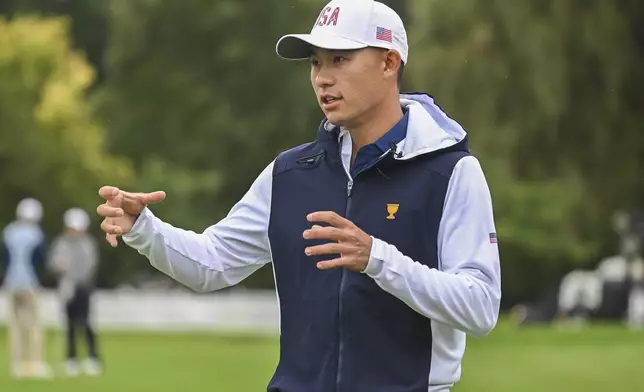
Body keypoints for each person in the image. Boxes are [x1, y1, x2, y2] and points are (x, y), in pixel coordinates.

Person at [96, 0, 501, 390]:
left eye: (340, 59)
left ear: (388, 62)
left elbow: (480, 307)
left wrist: (377, 259)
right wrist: (143, 229)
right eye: (315, 62)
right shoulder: (289, 173)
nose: (323, 77)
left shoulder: (451, 172)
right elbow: (212, 263)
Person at [1, 198, 52, 379]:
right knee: (34, 325)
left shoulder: (9, 232)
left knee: (15, 326)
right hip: (30, 284)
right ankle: (35, 364)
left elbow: (5, 259)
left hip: (11, 283)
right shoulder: (36, 234)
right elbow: (40, 261)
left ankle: (17, 364)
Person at [48, 207, 102, 376]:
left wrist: (75, 276)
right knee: (70, 325)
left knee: (85, 323)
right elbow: (53, 262)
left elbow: (90, 265)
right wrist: (60, 267)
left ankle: (93, 358)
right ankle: (71, 359)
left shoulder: (88, 243)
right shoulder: (61, 242)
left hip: (83, 287)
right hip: (66, 287)